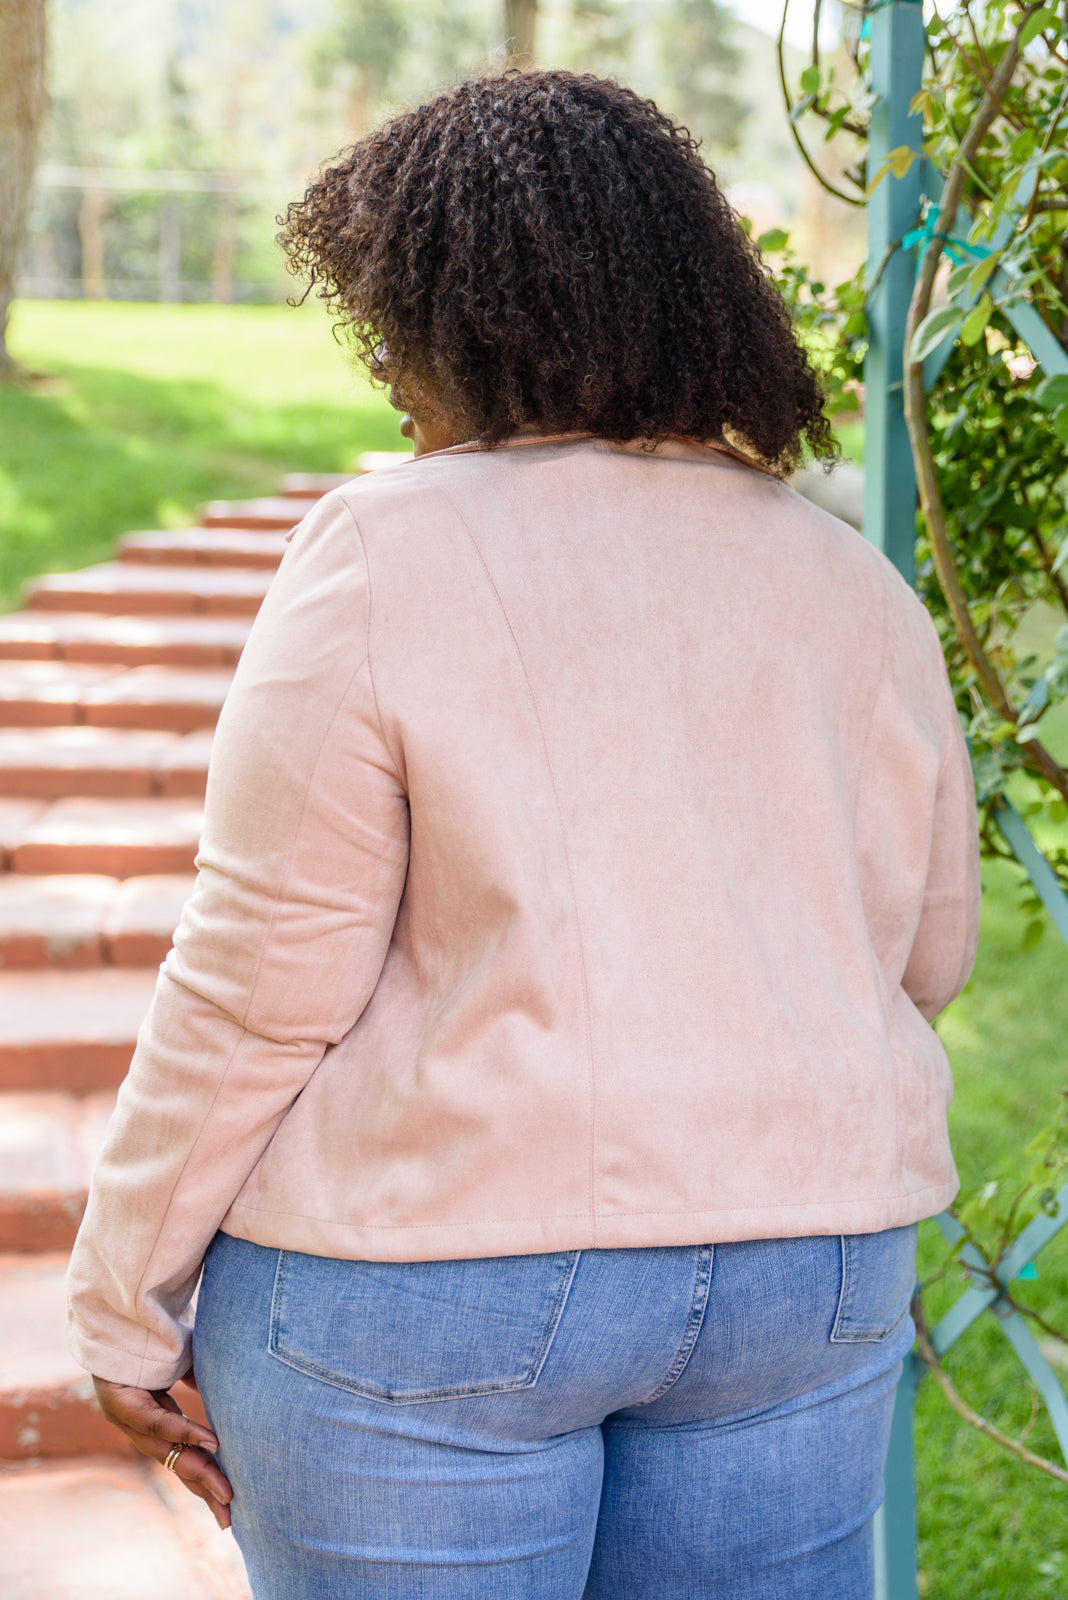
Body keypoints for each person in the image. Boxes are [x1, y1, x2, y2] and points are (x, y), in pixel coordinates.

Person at [67, 69, 980, 1600]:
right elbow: (925, 953)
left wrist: (122, 1301)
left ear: (443, 323)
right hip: (806, 1276)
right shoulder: (848, 580)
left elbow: (257, 984)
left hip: (427, 1285)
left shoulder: (382, 554)